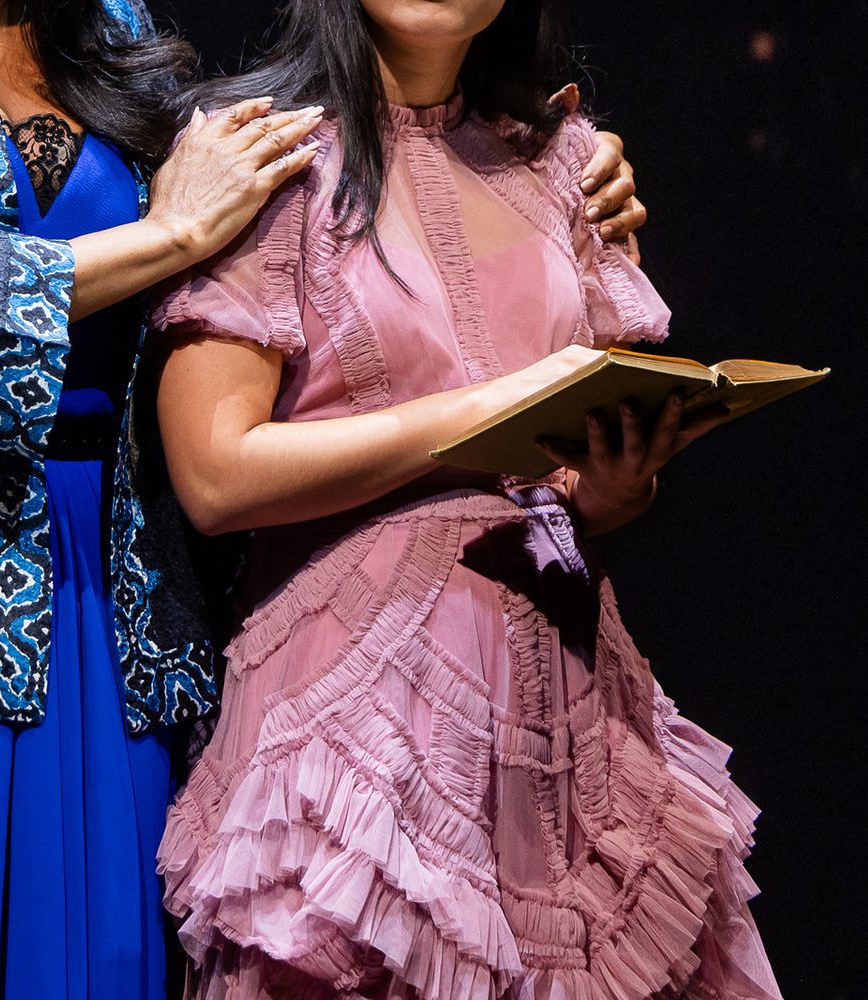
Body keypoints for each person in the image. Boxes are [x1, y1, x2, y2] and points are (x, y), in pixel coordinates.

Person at [0, 1, 650, 997]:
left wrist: (545, 165)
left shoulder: (113, 28)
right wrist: (167, 237)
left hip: (102, 623)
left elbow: (292, 197)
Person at [152, 1, 781, 998]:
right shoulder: (266, 150)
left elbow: (580, 484)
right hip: (356, 704)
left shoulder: (562, 159)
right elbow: (216, 475)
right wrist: (481, 410)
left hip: (566, 696)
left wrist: (614, 482)